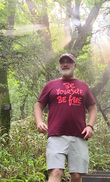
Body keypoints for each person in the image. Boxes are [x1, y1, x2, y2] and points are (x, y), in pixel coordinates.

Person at [34, 53, 98, 182]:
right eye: (62, 62)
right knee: (56, 171)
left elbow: (92, 108)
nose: (65, 64)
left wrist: (90, 126)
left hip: (79, 135)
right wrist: (39, 122)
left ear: (74, 65)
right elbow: (39, 105)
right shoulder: (51, 85)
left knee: (76, 175)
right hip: (56, 135)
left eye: (68, 62)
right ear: (59, 66)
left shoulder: (83, 86)